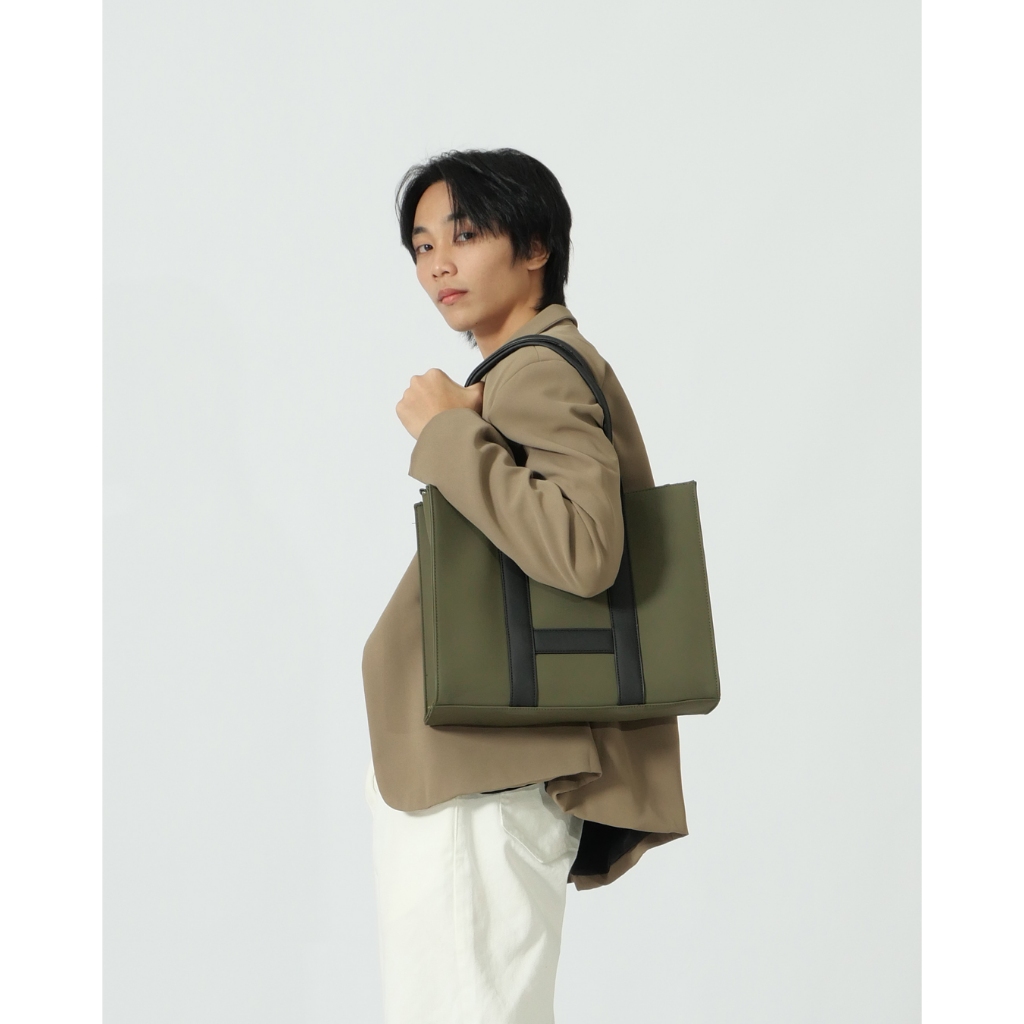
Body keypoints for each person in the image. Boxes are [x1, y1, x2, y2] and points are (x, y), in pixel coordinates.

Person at [362, 148, 688, 1024]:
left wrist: (443, 435)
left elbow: (584, 550)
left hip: (488, 769)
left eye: (465, 235)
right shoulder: (510, 374)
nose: (439, 263)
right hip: (483, 767)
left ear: (535, 245)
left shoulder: (537, 367)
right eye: (423, 245)